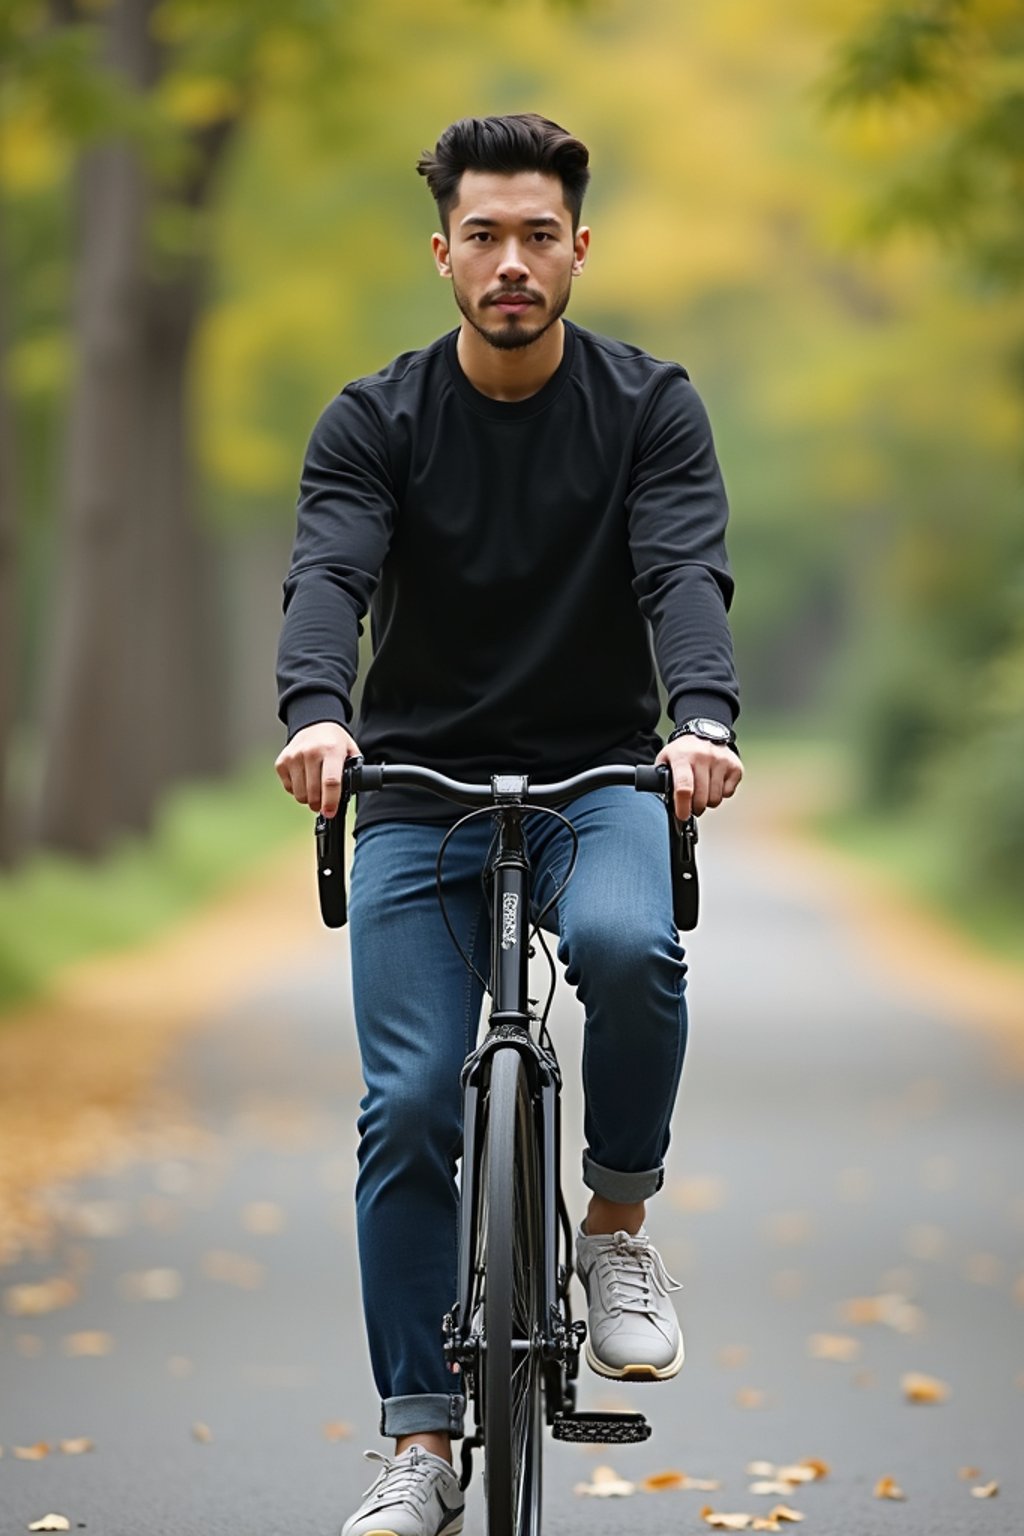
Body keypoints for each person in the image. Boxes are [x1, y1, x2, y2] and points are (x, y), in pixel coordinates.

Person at [275, 113, 742, 1536]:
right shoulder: (376, 419)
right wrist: (316, 711)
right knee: (410, 1106)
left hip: (600, 775)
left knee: (629, 947)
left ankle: (613, 1231)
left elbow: (682, 572)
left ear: (579, 249)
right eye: (484, 234)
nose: (513, 262)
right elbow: (329, 573)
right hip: (413, 786)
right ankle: (419, 1441)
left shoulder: (650, 407)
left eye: (540, 234)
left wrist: (701, 724)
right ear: (443, 255)